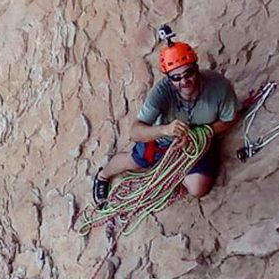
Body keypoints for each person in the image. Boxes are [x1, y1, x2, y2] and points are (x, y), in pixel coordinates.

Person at [92, 31, 240, 206]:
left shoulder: (219, 87)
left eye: (188, 73)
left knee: (199, 189)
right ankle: (103, 175)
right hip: (162, 141)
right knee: (135, 161)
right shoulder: (161, 93)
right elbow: (135, 131)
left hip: (199, 141)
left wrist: (203, 133)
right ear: (169, 78)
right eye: (176, 78)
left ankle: (171, 175)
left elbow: (230, 119)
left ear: (196, 67)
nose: (184, 81)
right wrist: (165, 130)